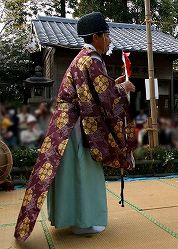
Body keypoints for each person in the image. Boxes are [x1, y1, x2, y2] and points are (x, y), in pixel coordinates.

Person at [14, 12, 137, 241]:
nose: (109, 40)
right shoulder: (92, 60)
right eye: (107, 35)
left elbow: (95, 90)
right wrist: (123, 89)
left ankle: (69, 219)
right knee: (83, 169)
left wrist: (113, 84)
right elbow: (103, 96)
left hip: (64, 122)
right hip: (79, 125)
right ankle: (85, 222)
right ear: (96, 36)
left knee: (65, 171)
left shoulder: (82, 57)